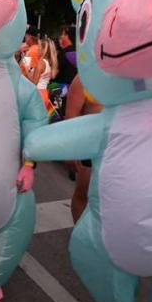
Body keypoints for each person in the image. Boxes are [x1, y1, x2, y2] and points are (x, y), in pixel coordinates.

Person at [64, 74, 102, 223]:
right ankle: (80, 236)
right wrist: (70, 151)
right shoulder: (85, 78)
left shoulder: (130, 78)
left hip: (120, 150)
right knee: (83, 196)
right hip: (91, 149)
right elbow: (71, 117)